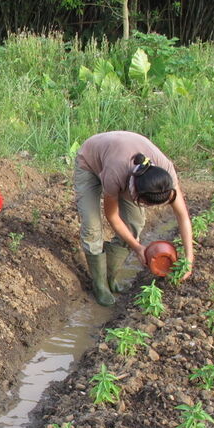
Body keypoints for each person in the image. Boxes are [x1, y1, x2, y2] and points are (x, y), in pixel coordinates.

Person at [75, 130, 195, 306]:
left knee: (135, 223)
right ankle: (100, 285)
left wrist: (189, 259)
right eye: (143, 203)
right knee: (92, 227)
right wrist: (137, 247)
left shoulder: (165, 175)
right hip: (90, 161)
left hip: (120, 157)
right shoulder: (115, 173)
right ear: (135, 192)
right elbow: (112, 216)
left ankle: (110, 277)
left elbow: (183, 217)